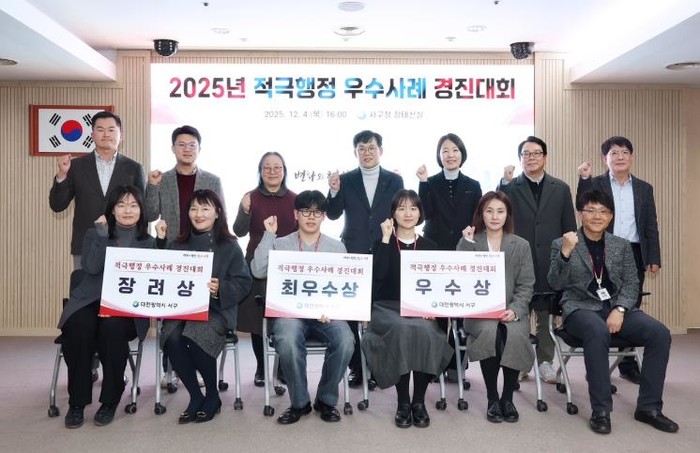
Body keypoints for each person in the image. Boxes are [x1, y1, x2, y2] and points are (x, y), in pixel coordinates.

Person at [548, 189, 677, 434]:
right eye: (590, 210)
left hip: (617, 307)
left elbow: (631, 283)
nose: (597, 216)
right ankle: (601, 410)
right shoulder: (563, 243)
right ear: (581, 213)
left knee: (660, 333)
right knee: (597, 330)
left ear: (610, 216)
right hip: (580, 308)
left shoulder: (621, 245)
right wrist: (565, 253)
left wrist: (619, 308)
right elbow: (555, 283)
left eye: (603, 211)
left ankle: (649, 408)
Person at [250, 190, 354, 425]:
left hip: (326, 314)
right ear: (296, 214)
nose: (311, 217)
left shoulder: (337, 247)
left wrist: (335, 309)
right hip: (290, 314)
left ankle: (326, 399)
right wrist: (268, 235)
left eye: (317, 212)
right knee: (286, 339)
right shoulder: (280, 244)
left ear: (324, 216)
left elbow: (343, 288)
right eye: (306, 211)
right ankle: (299, 402)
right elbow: (257, 270)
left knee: (346, 341)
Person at [58, 185, 153, 429]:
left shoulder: (149, 242)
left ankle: (110, 400)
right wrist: (102, 236)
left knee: (112, 328)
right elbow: (90, 267)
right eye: (121, 205)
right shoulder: (95, 233)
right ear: (112, 209)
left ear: (141, 210)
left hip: (126, 307)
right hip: (91, 299)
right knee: (78, 327)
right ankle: (77, 402)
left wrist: (163, 242)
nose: (127, 210)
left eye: (133, 205)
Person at [157, 190, 252, 424]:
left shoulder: (229, 245)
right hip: (182, 310)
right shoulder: (177, 244)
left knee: (197, 333)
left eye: (205, 208)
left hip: (216, 310)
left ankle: (212, 395)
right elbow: (161, 275)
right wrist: (160, 242)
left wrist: (221, 288)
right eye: (194, 209)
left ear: (217, 213)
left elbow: (243, 281)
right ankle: (195, 395)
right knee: (172, 337)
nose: (198, 214)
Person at [361, 189, 453, 429]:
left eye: (413, 208)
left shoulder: (430, 246)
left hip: (422, 309)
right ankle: (403, 401)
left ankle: (418, 401)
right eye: (401, 208)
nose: (408, 213)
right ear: (393, 213)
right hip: (387, 308)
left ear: (420, 213)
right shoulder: (382, 243)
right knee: (403, 328)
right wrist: (385, 239)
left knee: (424, 330)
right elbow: (376, 280)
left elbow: (439, 286)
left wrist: (433, 309)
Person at [145, 125, 225, 389]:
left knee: (200, 313)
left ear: (199, 149)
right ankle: (170, 368)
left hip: (203, 253)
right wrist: (151, 186)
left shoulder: (212, 180)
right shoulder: (162, 179)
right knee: (172, 312)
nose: (187, 149)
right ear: (173, 148)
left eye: (192, 145)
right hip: (172, 252)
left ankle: (199, 365)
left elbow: (221, 216)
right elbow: (150, 213)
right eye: (182, 144)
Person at [577, 136, 661, 385]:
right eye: (614, 153)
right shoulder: (597, 183)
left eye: (625, 152)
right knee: (600, 303)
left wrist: (653, 256)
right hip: (602, 249)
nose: (620, 157)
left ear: (631, 157)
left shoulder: (644, 188)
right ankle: (598, 365)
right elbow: (582, 206)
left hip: (633, 251)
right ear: (606, 159)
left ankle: (627, 364)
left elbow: (650, 224)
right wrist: (584, 179)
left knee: (629, 305)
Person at [327, 130, 404, 387]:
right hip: (353, 252)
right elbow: (333, 214)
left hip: (384, 249)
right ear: (355, 152)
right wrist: (333, 191)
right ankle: (357, 368)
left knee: (379, 311)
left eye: (371, 148)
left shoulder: (395, 180)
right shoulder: (346, 180)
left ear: (381, 150)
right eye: (362, 148)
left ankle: (377, 366)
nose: (367, 153)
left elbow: (400, 213)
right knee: (351, 311)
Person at [497, 136, 576, 384]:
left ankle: (545, 362)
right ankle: (520, 363)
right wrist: (503, 183)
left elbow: (569, 228)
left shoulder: (561, 188)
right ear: (520, 158)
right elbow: (497, 215)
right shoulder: (510, 187)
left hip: (549, 262)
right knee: (518, 315)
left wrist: (566, 257)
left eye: (536, 153)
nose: (531, 158)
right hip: (517, 261)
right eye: (526, 154)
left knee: (545, 317)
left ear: (545, 157)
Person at [457, 191, 535, 423]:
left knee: (514, 334)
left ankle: (507, 398)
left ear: (507, 214)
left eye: (500, 211)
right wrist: (466, 243)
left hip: (511, 310)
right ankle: (492, 398)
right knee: (490, 332)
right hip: (479, 312)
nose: (494, 216)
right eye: (489, 211)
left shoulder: (521, 245)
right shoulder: (471, 241)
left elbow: (526, 284)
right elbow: (458, 275)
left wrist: (516, 309)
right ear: (481, 214)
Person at [416, 132, 482, 383]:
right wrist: (423, 183)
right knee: (437, 313)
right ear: (439, 155)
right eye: (445, 150)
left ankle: (456, 367)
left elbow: (478, 219)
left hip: (463, 253)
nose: (450, 155)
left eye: (455, 150)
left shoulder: (473, 185)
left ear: (462, 154)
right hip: (435, 251)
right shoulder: (430, 182)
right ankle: (434, 365)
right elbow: (424, 214)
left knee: (460, 312)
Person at [49, 111, 145, 269]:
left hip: (124, 245)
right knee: (84, 285)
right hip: (86, 245)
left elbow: (142, 211)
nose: (106, 134)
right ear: (92, 136)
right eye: (100, 130)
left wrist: (140, 243)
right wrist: (62, 174)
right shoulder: (76, 166)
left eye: (111, 130)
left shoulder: (134, 168)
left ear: (121, 136)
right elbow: (57, 205)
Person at [233, 152, 297, 387]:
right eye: (267, 167)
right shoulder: (250, 197)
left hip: (287, 265)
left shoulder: (295, 199)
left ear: (284, 171)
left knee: (283, 317)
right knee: (255, 318)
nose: (272, 171)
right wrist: (244, 210)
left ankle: (281, 367)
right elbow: (238, 231)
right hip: (256, 262)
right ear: (260, 171)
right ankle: (261, 367)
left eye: (277, 167)